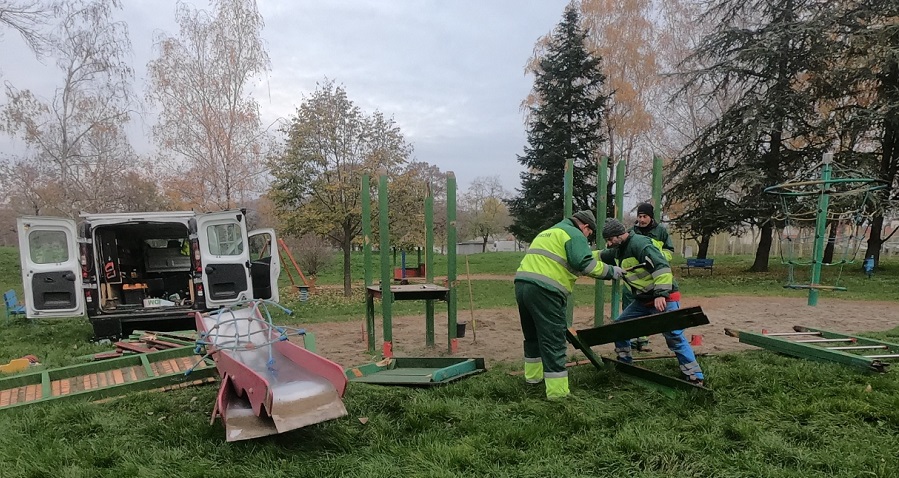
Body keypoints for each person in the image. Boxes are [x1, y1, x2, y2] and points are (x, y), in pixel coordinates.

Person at [514, 210, 625, 399]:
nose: (587, 238)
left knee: (532, 336)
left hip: (522, 285)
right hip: (545, 290)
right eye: (589, 235)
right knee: (553, 341)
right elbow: (584, 263)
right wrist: (612, 271)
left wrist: (604, 255)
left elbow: (576, 255)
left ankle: (533, 380)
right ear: (585, 227)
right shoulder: (574, 234)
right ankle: (558, 394)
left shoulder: (552, 231)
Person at [599, 218, 705, 385]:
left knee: (674, 335)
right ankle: (624, 362)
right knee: (619, 327)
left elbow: (662, 267)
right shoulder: (618, 250)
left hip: (664, 297)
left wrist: (661, 294)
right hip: (643, 299)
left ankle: (694, 375)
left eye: (610, 239)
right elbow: (598, 255)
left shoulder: (640, 244)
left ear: (619, 235)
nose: (608, 243)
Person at [626, 202, 675, 351]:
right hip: (636, 277)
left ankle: (643, 339)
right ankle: (630, 340)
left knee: (651, 309)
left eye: (644, 216)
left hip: (654, 275)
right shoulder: (632, 231)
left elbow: (669, 251)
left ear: (651, 217)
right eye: (639, 216)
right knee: (630, 309)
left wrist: (658, 257)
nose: (641, 220)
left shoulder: (660, 231)